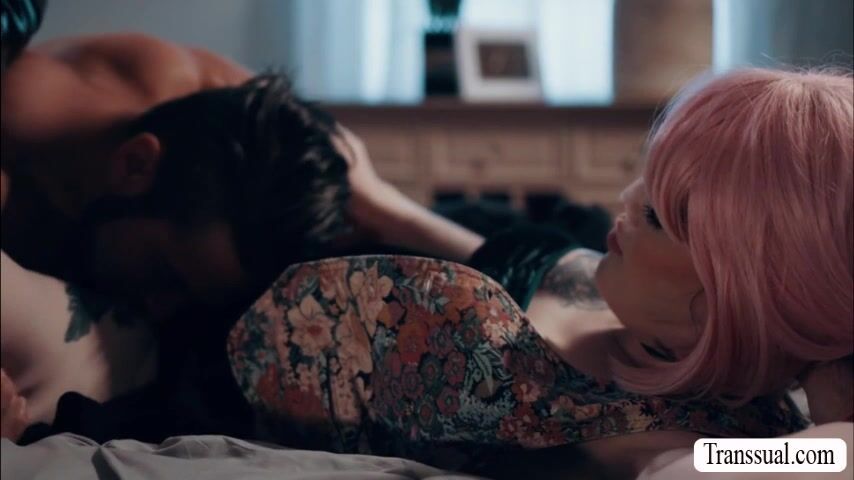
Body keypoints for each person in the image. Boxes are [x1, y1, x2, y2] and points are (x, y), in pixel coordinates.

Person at [220, 67, 853, 479]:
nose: (626, 198)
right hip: (361, 242)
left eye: (656, 215)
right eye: (645, 177)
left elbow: (825, 454)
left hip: (222, 355)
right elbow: (528, 266)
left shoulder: (682, 441)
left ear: (737, 291)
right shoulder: (636, 299)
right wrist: (386, 204)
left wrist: (827, 371)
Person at [1, 31, 483, 439]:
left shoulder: (246, 137)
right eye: (163, 271)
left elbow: (491, 290)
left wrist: (385, 206)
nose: (162, 308)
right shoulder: (24, 149)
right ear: (134, 166)